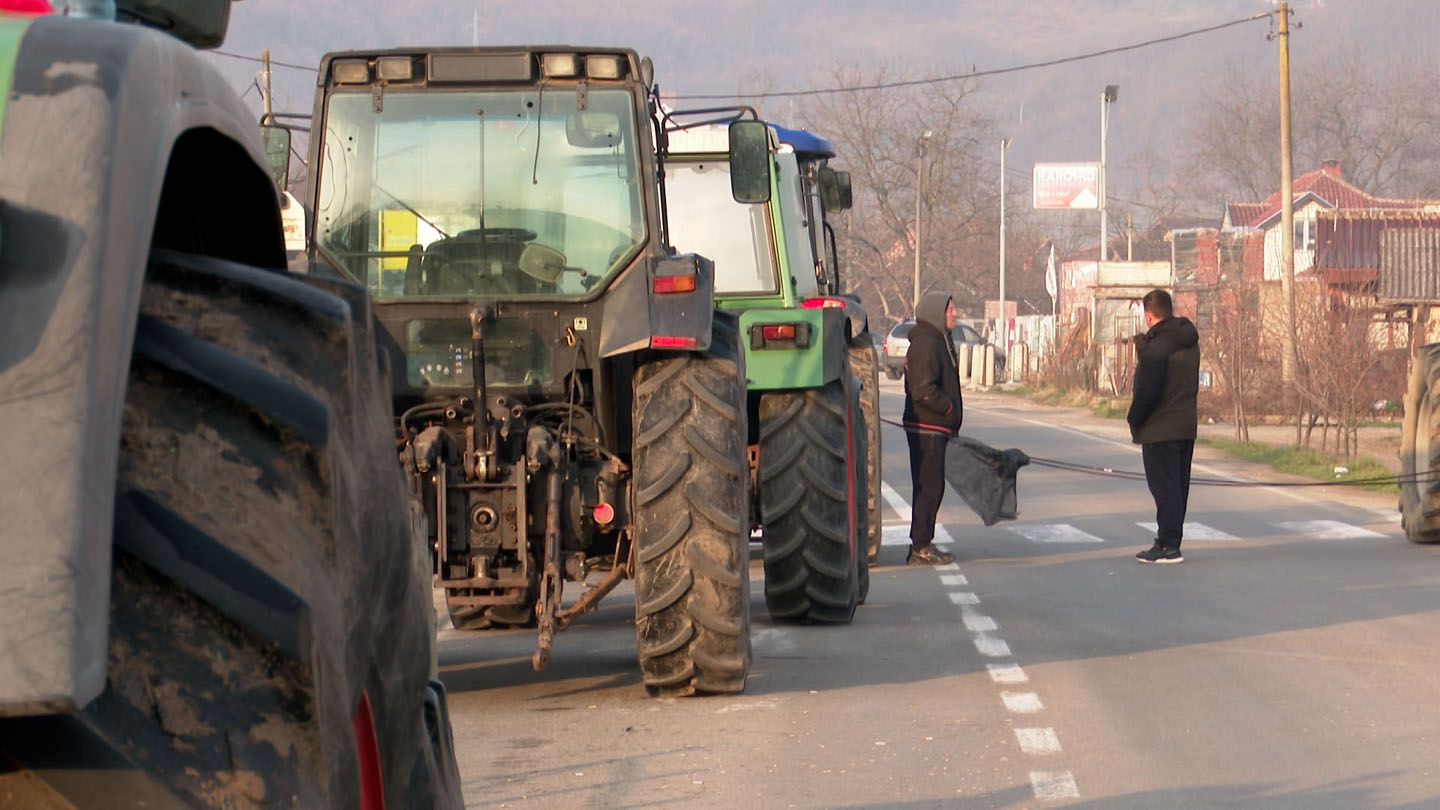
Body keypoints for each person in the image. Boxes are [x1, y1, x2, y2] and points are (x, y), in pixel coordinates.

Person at [1126, 289, 1200, 564]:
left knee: (1164, 488)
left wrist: (1134, 418)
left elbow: (1150, 390)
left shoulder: (1158, 346)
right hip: (1185, 425)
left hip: (1160, 428)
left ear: (1148, 315)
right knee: (1177, 487)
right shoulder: (1188, 339)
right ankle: (1171, 539)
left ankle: (1168, 545)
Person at [902, 292, 964, 566]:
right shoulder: (926, 344)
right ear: (936, 312)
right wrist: (949, 409)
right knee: (929, 486)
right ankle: (921, 546)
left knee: (931, 486)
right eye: (950, 309)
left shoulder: (937, 340)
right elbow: (923, 391)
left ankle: (922, 541)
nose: (955, 313)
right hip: (927, 427)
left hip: (934, 427)